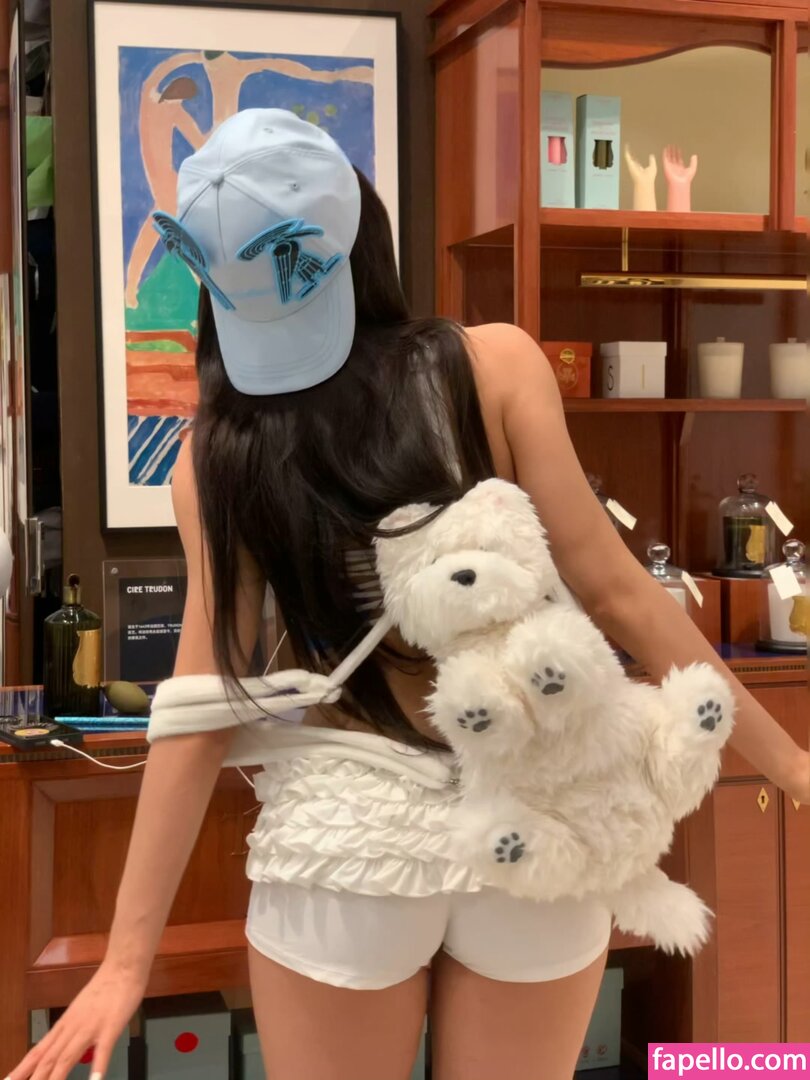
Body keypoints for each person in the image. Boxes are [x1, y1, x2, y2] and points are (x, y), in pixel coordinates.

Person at [11, 109, 810, 1080]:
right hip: (532, 816)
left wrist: (126, 961)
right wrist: (793, 766)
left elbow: (198, 704)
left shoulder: (217, 452)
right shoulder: (495, 365)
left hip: (349, 841)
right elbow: (619, 595)